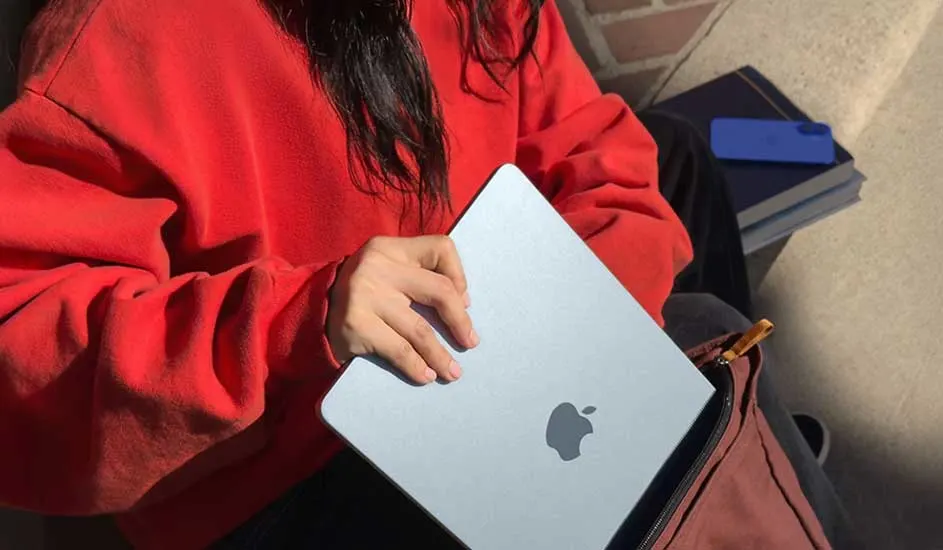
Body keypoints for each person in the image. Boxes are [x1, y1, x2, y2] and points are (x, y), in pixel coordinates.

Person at [0, 0, 852, 548]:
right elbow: (25, 356)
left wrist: (582, 337)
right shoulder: (118, 43)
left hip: (485, 358)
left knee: (682, 183)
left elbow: (596, 153)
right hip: (285, 470)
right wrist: (298, 320)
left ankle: (727, 465)